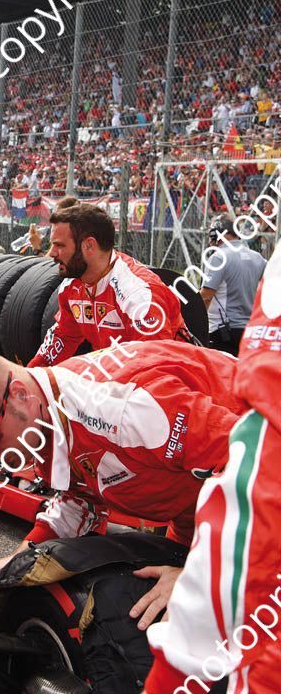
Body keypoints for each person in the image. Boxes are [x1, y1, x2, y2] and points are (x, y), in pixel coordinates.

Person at [0, 341, 244, 630]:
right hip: (199, 509)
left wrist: (202, 572)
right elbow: (80, 500)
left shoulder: (124, 408)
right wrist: (22, 560)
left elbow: (253, 462)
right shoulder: (45, 417)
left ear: (19, 395)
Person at [144, 247, 280, 692]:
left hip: (233, 342)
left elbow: (202, 297)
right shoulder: (260, 260)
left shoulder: (222, 257)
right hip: (247, 345)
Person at [27, 203, 189, 367]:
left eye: (60, 245)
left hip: (174, 376)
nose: (52, 253)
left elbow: (154, 364)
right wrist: (30, 376)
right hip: (119, 372)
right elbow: (64, 336)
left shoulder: (136, 292)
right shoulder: (72, 285)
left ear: (89, 245)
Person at [200, 214, 266, 356]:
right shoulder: (258, 258)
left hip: (221, 332)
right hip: (249, 331)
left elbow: (206, 297)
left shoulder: (218, 257)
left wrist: (193, 322)